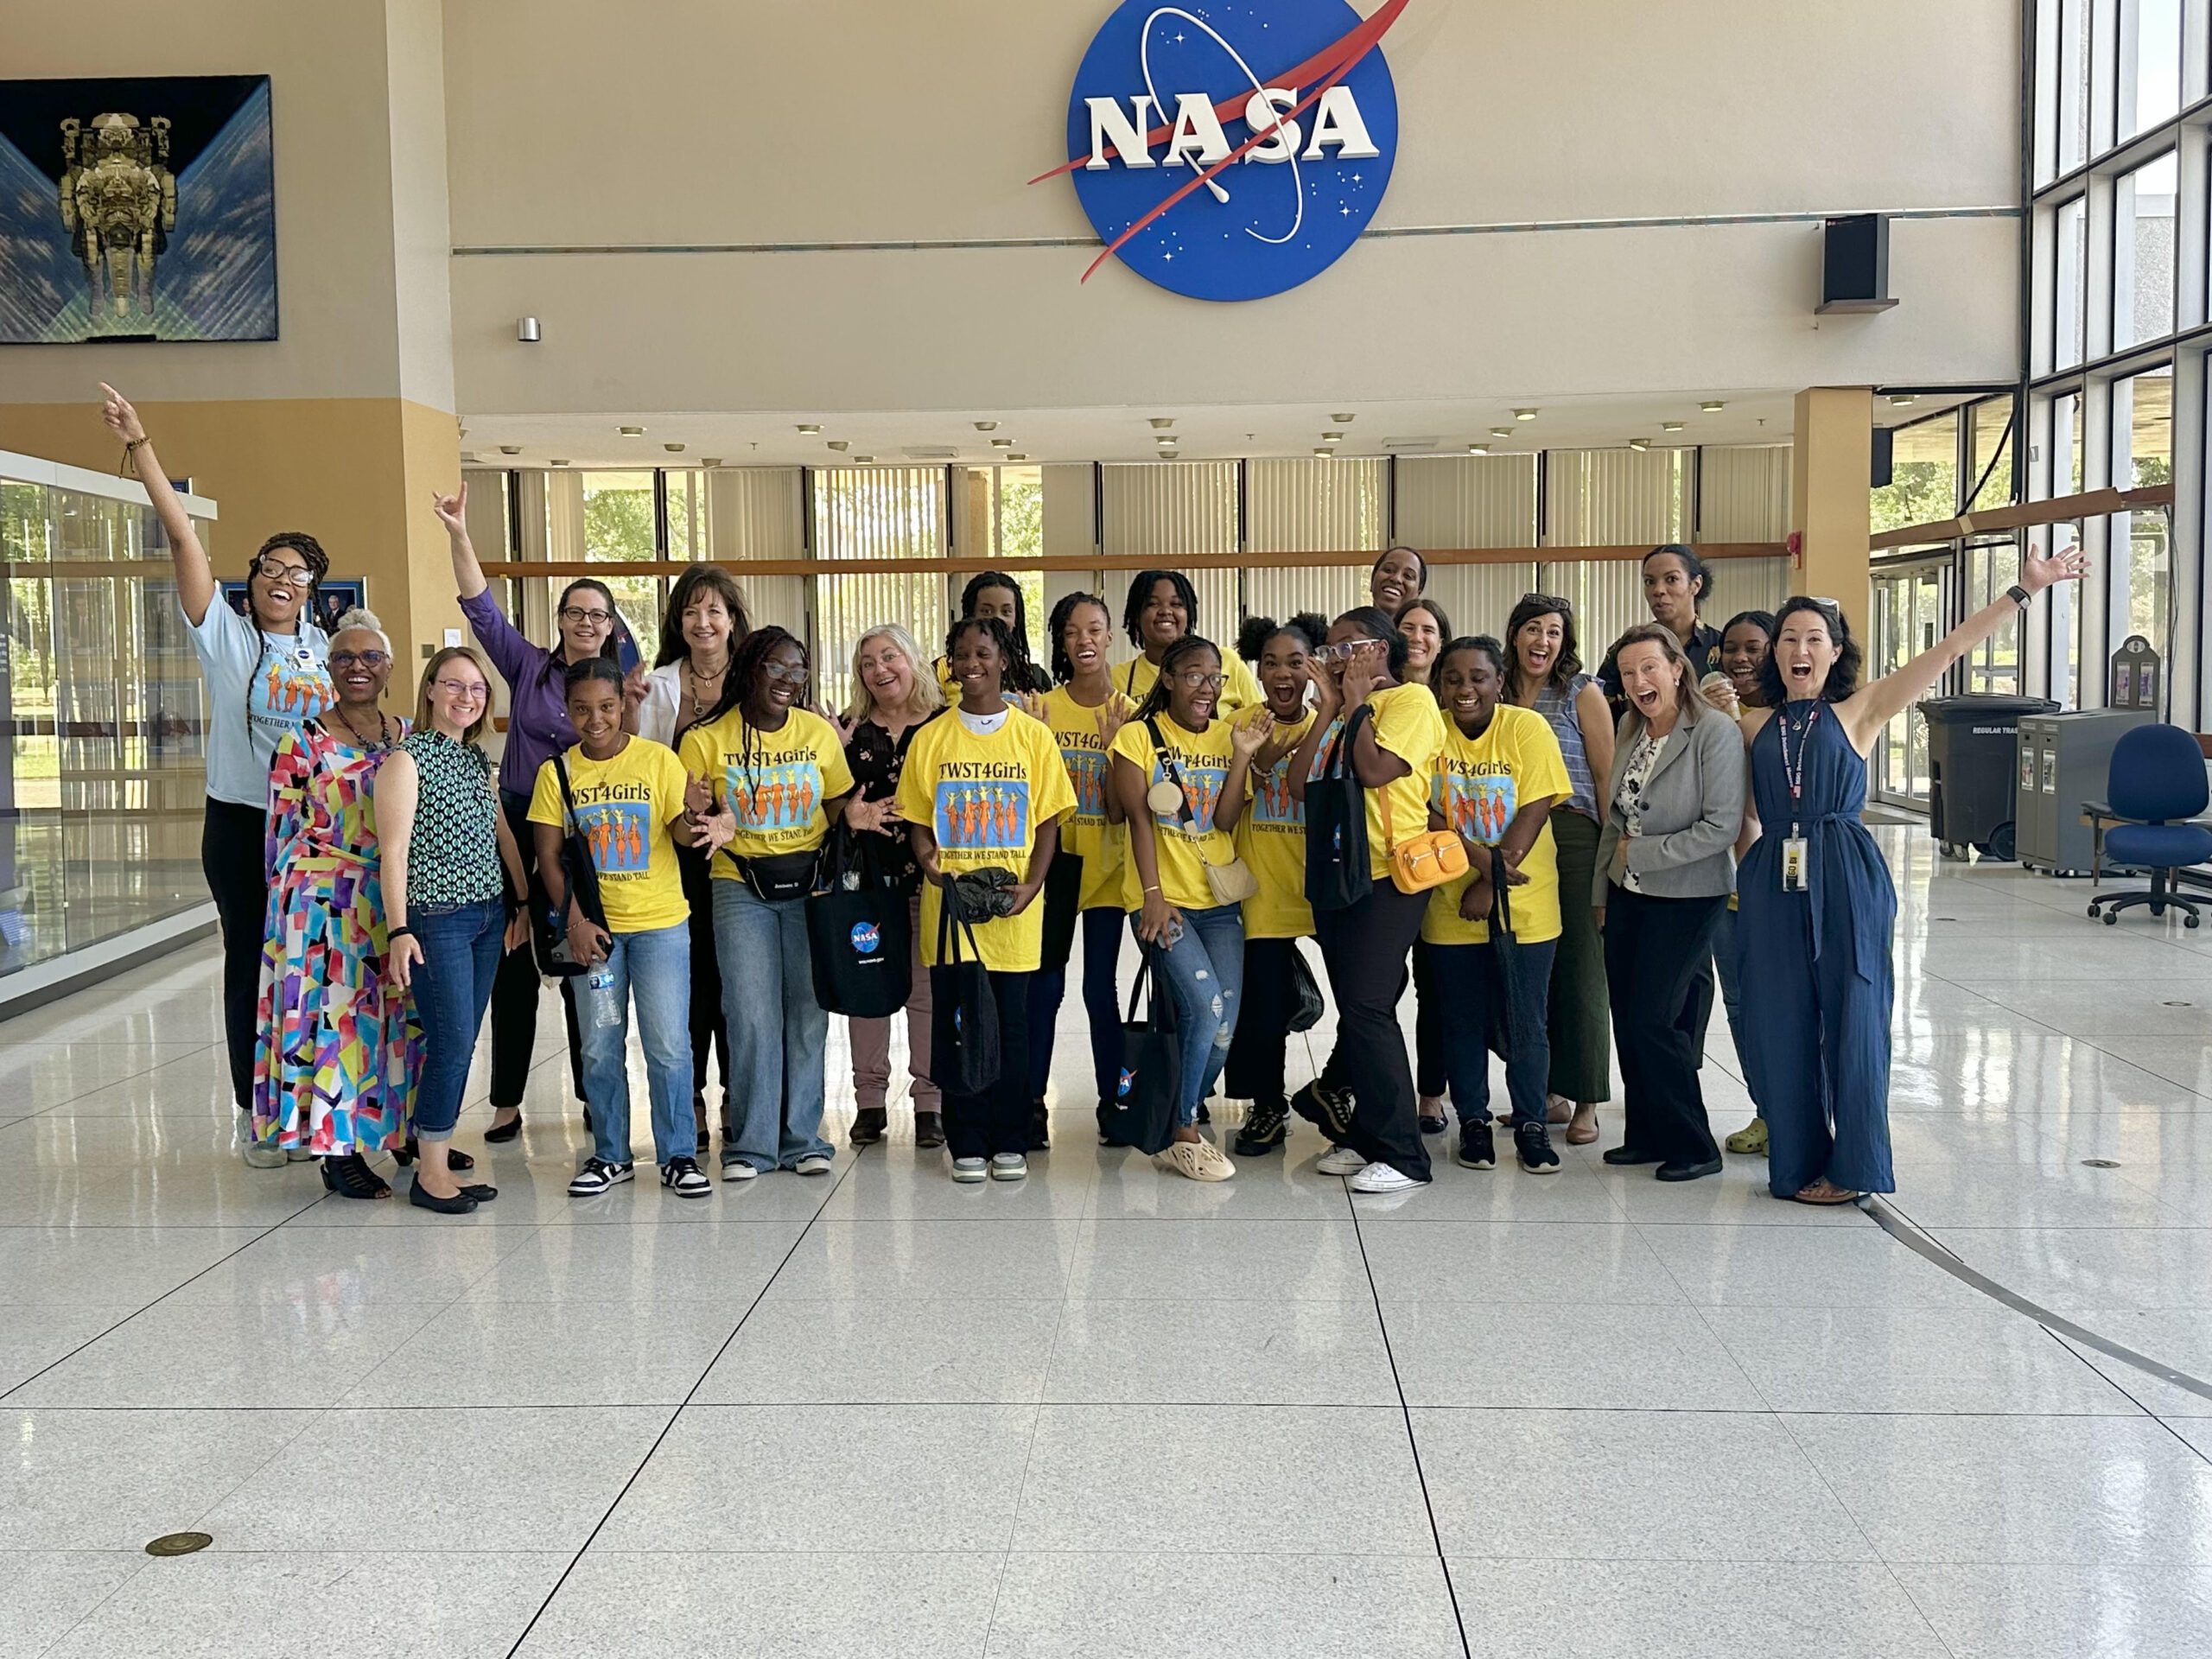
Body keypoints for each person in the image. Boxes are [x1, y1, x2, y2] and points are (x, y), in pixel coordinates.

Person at [1739, 551, 2087, 1203]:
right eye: (1788, 638)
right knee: (1779, 1020)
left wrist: (2024, 590)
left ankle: (1856, 1169)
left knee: (1855, 1015)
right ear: (1774, 654)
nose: (1800, 648)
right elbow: (1742, 806)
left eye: (1814, 637)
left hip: (1843, 867)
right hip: (1773, 877)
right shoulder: (1753, 724)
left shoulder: (1859, 712)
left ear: (1835, 651)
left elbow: (1949, 650)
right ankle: (1794, 1162)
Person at [101, 385, 334, 1165]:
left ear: (313, 590)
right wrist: (143, 447)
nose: (282, 580)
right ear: (254, 576)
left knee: (305, 970)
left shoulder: (328, 654)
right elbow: (182, 541)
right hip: (241, 823)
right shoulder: (226, 638)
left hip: (312, 830)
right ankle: (250, 1111)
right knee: (251, 965)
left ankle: (305, 1106)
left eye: (298, 573)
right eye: (272, 567)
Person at [439, 481, 611, 1142]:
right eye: (575, 612)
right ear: (561, 617)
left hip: (582, 836)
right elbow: (481, 611)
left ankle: (596, 1097)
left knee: (580, 964)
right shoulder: (530, 666)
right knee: (511, 967)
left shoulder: (622, 683)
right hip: (513, 826)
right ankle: (507, 1101)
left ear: (611, 624)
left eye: (598, 614)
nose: (586, 622)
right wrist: (459, 534)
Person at [897, 617, 1075, 1181]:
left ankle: (1011, 1137)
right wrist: (928, 859)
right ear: (948, 665)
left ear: (1004, 661)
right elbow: (918, 822)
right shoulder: (931, 738)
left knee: (1013, 1028)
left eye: (984, 653)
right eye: (961, 655)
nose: (972, 663)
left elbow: (1049, 823)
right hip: (952, 915)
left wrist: (1033, 885)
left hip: (1014, 911)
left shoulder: (1033, 737)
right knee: (957, 1023)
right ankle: (966, 1137)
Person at [679, 627, 859, 1180]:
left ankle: (803, 1138)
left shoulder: (817, 734)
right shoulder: (705, 738)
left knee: (808, 1012)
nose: (787, 680)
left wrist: (856, 820)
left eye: (798, 670)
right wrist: (700, 814)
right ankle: (751, 1146)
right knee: (752, 1014)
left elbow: (835, 807)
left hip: (809, 886)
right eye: (775, 667)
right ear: (749, 668)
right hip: (739, 885)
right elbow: (686, 822)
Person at [251, 609, 421, 1196]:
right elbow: (279, 834)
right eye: (345, 657)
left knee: (400, 1020)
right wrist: (290, 923)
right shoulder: (302, 740)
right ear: (329, 668)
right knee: (339, 1027)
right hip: (324, 908)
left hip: (392, 901)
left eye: (370, 657)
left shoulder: (408, 734)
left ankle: (401, 1130)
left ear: (389, 668)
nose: (357, 667)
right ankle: (338, 1150)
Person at [1285, 607, 1446, 1194]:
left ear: (1381, 648)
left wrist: (1355, 704)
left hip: (1388, 874)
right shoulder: (1337, 710)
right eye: (1330, 649)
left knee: (1371, 1007)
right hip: (1337, 870)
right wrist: (1329, 705)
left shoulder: (1411, 703)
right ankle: (1365, 1136)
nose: (1335, 658)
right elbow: (1300, 784)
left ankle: (1404, 1153)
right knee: (1356, 1007)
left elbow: (1375, 769)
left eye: (1346, 646)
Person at [534, 659, 705, 1198]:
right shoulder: (556, 773)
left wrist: (695, 812)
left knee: (669, 1045)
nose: (595, 719)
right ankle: (611, 1154)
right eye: (582, 709)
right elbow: (548, 858)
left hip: (659, 929)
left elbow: (679, 834)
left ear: (624, 705)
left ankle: (678, 1154)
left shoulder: (659, 761)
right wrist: (578, 924)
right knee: (600, 1046)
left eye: (606, 707)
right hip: (597, 939)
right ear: (569, 709)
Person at [379, 648, 532, 1214]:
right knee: (449, 1045)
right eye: (454, 686)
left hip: (489, 916)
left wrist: (520, 901)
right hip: (437, 918)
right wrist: (400, 931)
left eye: (477, 689)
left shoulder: (474, 759)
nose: (467, 697)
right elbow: (392, 853)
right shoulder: (406, 760)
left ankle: (429, 1144)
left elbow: (504, 838)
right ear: (430, 691)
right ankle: (431, 1175)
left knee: (460, 1041)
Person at [1594, 625, 1745, 1183]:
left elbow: (1721, 827)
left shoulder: (1714, 731)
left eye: (1650, 667)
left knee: (1657, 1018)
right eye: (1629, 672)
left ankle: (1694, 1144)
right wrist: (1601, 892)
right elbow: (1616, 821)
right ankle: (1646, 1135)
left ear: (1678, 668)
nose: (1638, 681)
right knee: (1629, 1021)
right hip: (1626, 894)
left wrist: (1642, 855)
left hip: (1689, 894)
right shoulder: (1631, 726)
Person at [1423, 637, 1570, 1174]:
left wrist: (1490, 883)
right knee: (1461, 1022)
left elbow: (1533, 809)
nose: (1466, 689)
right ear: (1440, 684)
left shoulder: (1526, 728)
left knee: (1527, 1021)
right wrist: (1485, 870)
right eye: (1453, 678)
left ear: (1499, 681)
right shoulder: (1429, 730)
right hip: (1448, 902)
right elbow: (1427, 814)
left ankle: (1531, 1123)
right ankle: (1474, 1124)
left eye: (1478, 677)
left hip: (1526, 905)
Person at [1108, 632, 1248, 1181]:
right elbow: (1139, 821)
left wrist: (1240, 757)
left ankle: (1170, 1109)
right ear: (1167, 678)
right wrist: (1152, 898)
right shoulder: (1136, 738)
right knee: (1204, 1007)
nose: (1207, 688)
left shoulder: (1225, 736)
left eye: (1215, 678)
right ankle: (1184, 1128)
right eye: (1194, 675)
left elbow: (1227, 820)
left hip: (1218, 901)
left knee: (1225, 1025)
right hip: (1163, 902)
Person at [633, 564, 749, 1155]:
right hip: (676, 856)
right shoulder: (655, 688)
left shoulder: (756, 681)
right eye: (690, 612)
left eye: (714, 611)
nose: (702, 623)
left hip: (743, 854)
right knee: (688, 984)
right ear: (678, 623)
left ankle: (737, 1095)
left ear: (733, 619)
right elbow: (639, 771)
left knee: (738, 979)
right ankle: (692, 1101)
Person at [1503, 593, 1615, 1146]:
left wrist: (1608, 855)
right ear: (1515, 634)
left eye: (1554, 632)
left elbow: (1604, 778)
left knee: (1579, 967)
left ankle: (1587, 1100)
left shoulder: (1581, 692)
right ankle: (1544, 1092)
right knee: (1522, 966)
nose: (1542, 641)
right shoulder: (1494, 689)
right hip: (1505, 835)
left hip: (1570, 833)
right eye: (1533, 629)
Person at [830, 623, 946, 1148]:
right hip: (868, 883)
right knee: (867, 991)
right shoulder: (850, 731)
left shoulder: (948, 724)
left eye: (889, 656)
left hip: (930, 878)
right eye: (868, 663)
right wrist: (833, 764)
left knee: (926, 994)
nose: (880, 670)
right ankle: (870, 1102)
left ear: (912, 659)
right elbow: (829, 804)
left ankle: (929, 1104)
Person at [1032, 594, 1135, 1148]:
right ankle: (1030, 1104)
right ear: (1062, 642)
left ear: (1111, 636)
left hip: (1107, 874)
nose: (1085, 640)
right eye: (1073, 632)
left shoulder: (1130, 710)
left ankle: (1113, 1102)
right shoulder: (1039, 709)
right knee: (1044, 991)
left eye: (1095, 629)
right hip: (1053, 872)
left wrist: (1114, 746)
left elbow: (1124, 809)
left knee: (1100, 991)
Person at [1225, 613, 1325, 1158]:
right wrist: (1257, 753)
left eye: (1295, 661)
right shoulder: (1238, 725)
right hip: (1262, 888)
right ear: (1257, 670)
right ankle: (1267, 1106)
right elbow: (1226, 801)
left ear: (1312, 667)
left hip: (1321, 888)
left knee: (1371, 997)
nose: (1283, 673)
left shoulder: (1332, 723)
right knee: (1264, 1010)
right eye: (1270, 662)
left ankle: (1338, 1088)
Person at [1698, 609, 1776, 1156]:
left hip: (1776, 883)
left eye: (1754, 647)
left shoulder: (1788, 716)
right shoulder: (1709, 708)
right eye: (1731, 648)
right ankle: (1766, 1110)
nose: (1741, 658)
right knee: (1743, 1005)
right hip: (1724, 887)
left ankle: (1800, 1108)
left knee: (1786, 1002)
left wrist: (1733, 720)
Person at [1394, 594, 1454, 1131]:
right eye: (1407, 627)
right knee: (1383, 986)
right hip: (1388, 864)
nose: (1417, 637)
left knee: (1434, 983)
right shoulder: (1380, 696)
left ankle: (1432, 1094)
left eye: (1428, 629)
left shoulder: (1456, 694)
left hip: (1442, 858)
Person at [1596, 544, 1726, 713]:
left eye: (1671, 579)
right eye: (1650, 582)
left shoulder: (1721, 647)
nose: (1658, 590)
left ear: (1695, 584)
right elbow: (1599, 709)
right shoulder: (1626, 649)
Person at [1114, 569, 1263, 713]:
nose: (1165, 611)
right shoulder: (1118, 678)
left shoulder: (1229, 662)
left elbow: (1258, 721)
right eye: (1153, 604)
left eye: (1176, 604)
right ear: (1136, 616)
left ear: (1188, 613)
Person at [931, 570, 1052, 699]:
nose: (997, 618)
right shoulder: (941, 671)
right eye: (986, 611)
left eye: (1006, 612)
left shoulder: (1035, 678)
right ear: (970, 615)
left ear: (1016, 619)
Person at [1369, 544, 1427, 615]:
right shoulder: (1352, 624)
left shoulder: (1424, 625)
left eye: (1408, 576)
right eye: (1388, 570)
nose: (1396, 579)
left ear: (1418, 593)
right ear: (1373, 579)